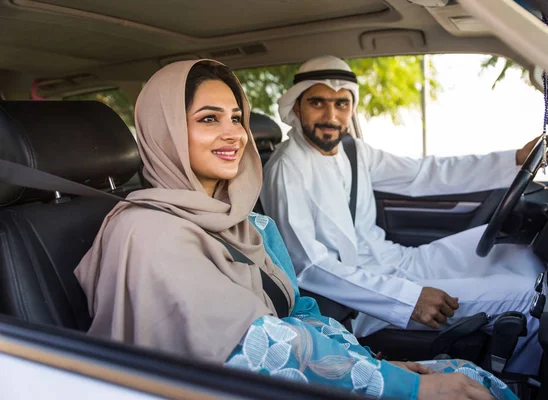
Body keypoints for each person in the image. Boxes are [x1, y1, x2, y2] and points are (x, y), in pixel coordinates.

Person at [74, 59, 516, 400]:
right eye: (209, 119)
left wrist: (382, 366)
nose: (233, 135)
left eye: (236, 117)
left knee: (470, 377)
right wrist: (407, 388)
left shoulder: (248, 223)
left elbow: (301, 313)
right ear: (166, 131)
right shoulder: (149, 233)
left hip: (296, 369)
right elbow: (255, 348)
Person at [261, 55, 548, 375]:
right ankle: (522, 382)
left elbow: (424, 173)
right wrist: (408, 299)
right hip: (361, 297)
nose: (331, 116)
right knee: (529, 298)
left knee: (516, 254)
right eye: (317, 103)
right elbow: (310, 267)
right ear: (297, 107)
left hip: (396, 262)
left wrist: (514, 159)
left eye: (341, 104)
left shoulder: (352, 151)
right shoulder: (285, 169)